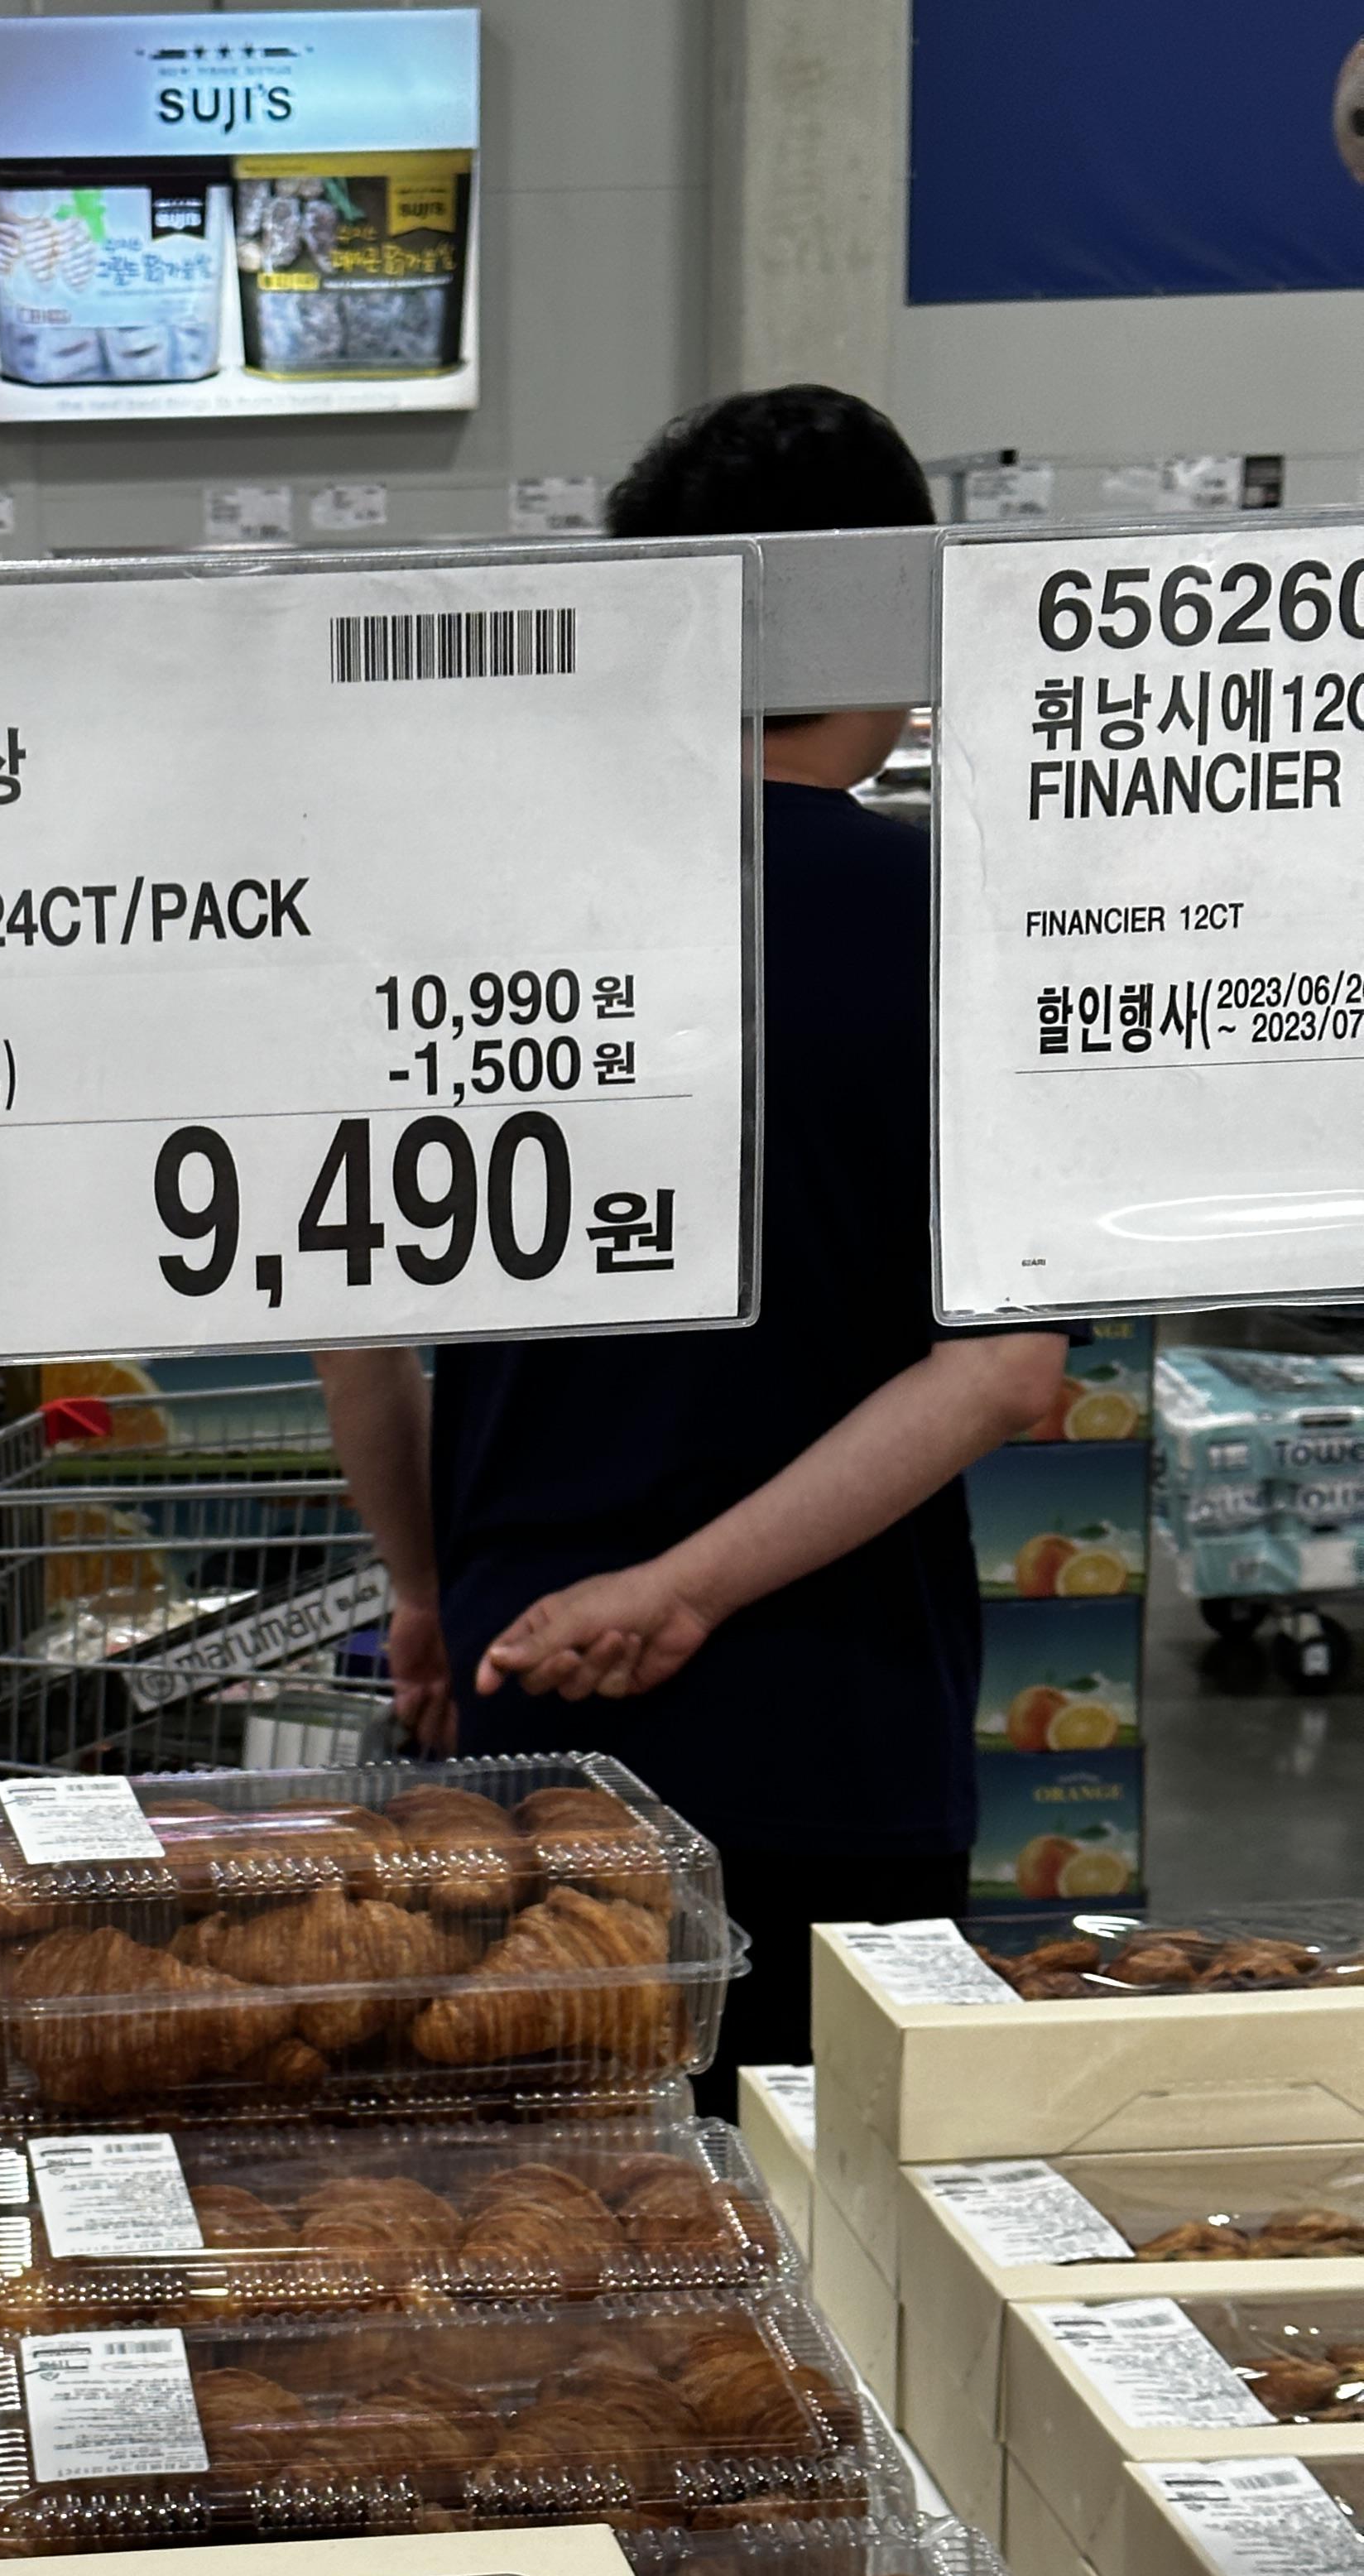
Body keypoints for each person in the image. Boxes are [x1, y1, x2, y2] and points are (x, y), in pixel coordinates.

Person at [322, 383, 1070, 2105]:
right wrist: (683, 1592)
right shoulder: (966, 929)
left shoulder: (462, 917)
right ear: (897, 610)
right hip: (838, 1730)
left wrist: (422, 1588)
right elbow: (1001, 1371)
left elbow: (351, 1324)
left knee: (558, 2219)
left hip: (522, 1719)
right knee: (825, 2229)